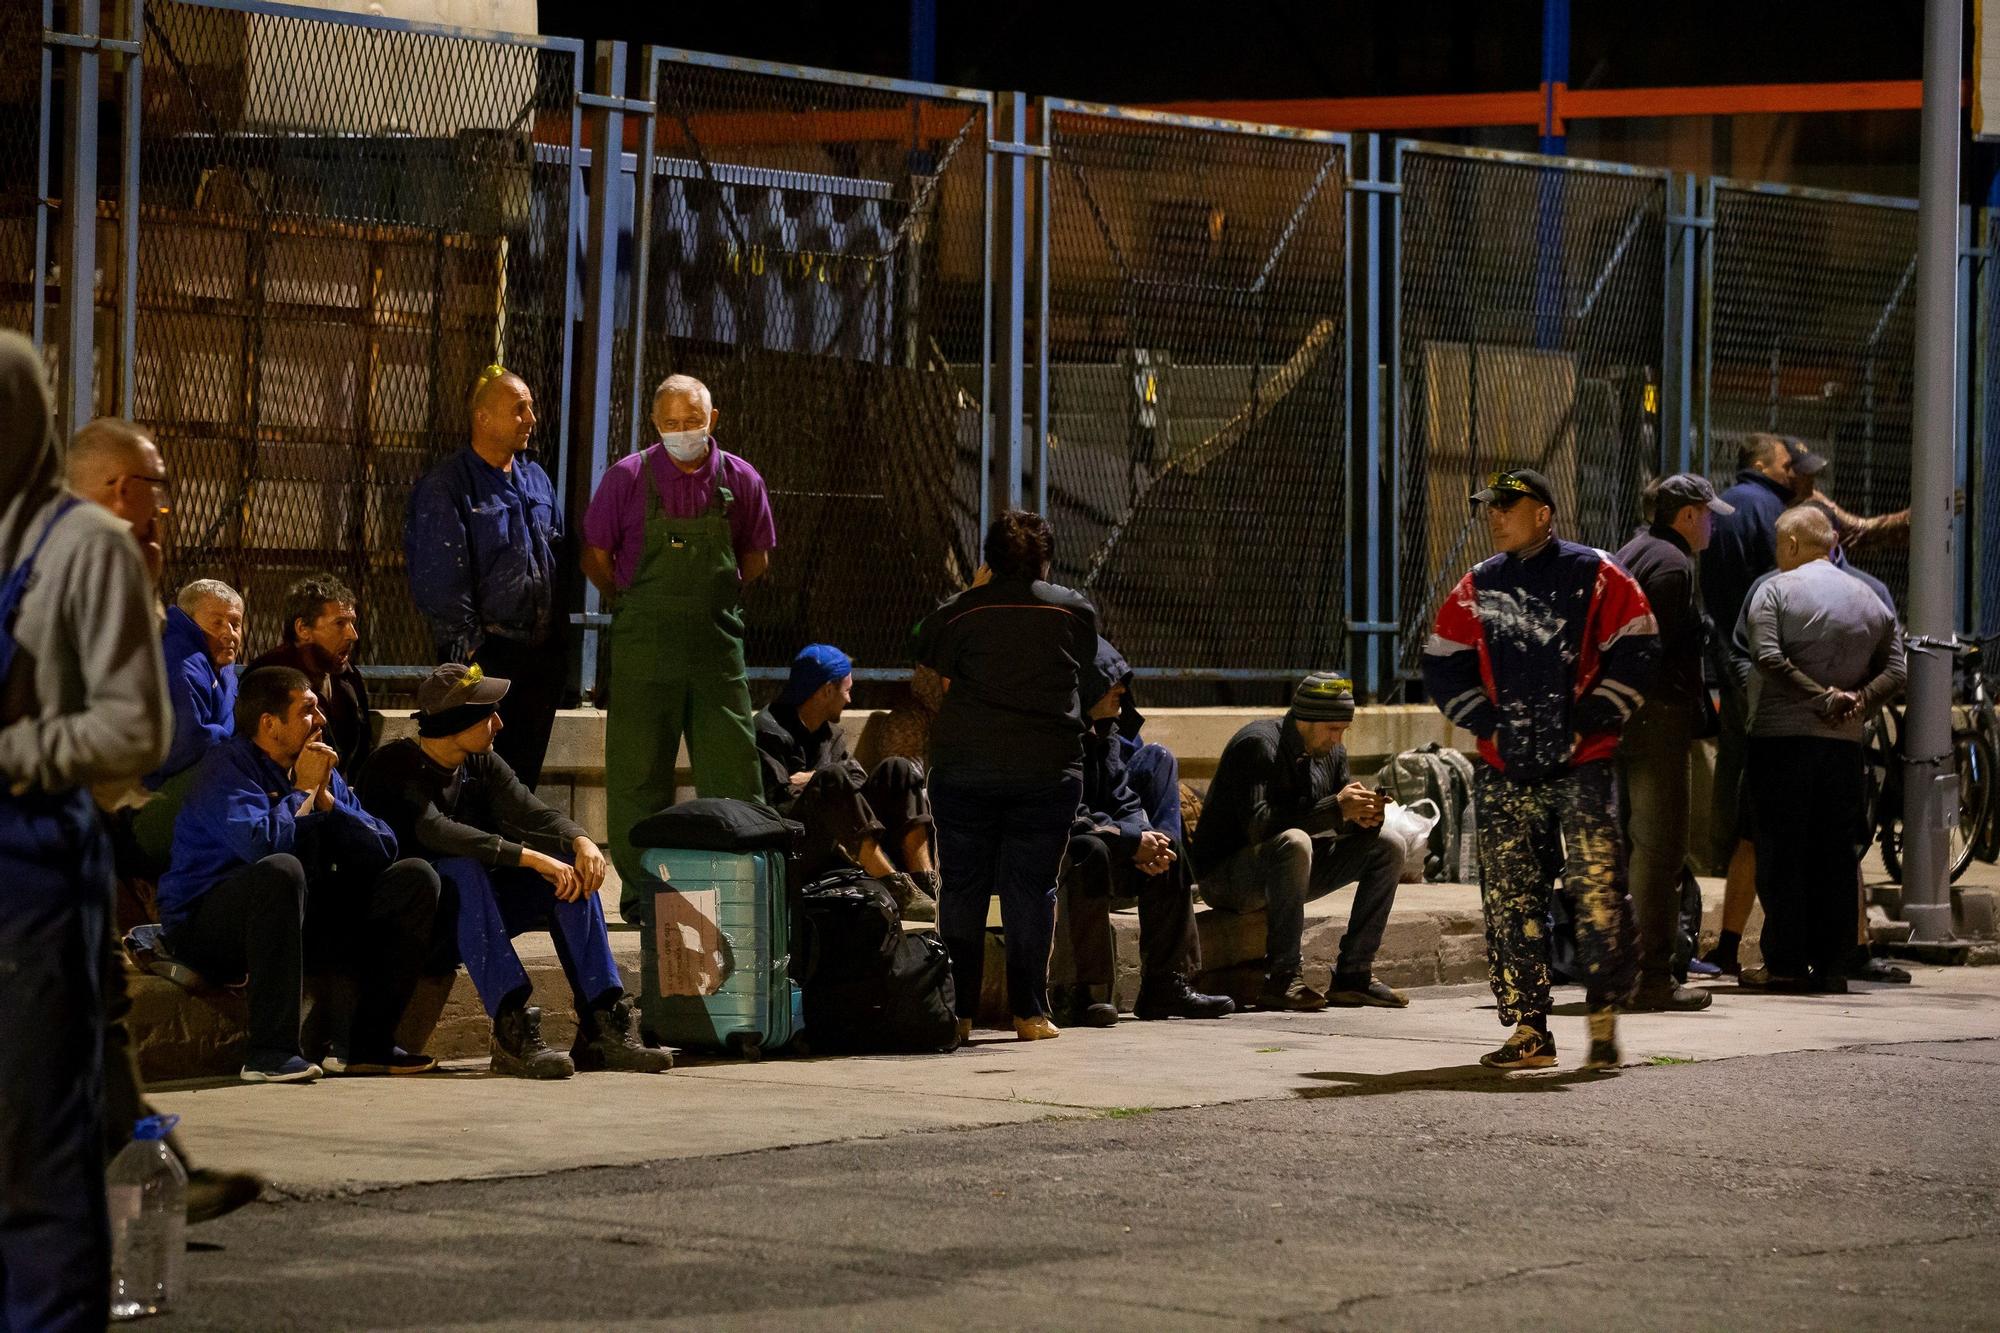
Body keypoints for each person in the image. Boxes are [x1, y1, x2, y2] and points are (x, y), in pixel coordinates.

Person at [0, 332, 171, 1333]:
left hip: (35, 871)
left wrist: (20, 748)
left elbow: (136, 727)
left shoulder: (88, 547)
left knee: (33, 1146)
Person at [71, 418, 264, 1225]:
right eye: (158, 486)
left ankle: (162, 1177)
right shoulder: (57, 568)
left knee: (101, 1004)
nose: (167, 508)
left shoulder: (113, 572)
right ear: (121, 487)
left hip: (64, 834)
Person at [1422, 467, 1656, 1070]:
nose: (1494, 515)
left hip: (1584, 766)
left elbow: (1639, 645)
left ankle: (1603, 1026)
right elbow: (1443, 660)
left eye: (1508, 504)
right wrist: (1490, 726)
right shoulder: (1479, 584)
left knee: (1598, 893)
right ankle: (1530, 1032)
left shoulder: (1595, 572)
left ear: (1544, 513)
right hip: (1505, 769)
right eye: (1489, 507)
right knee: (1508, 899)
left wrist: (1589, 721)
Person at [358, 663, 671, 1079]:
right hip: (410, 928)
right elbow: (439, 831)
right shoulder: (394, 765)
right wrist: (531, 856)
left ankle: (603, 1023)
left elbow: (532, 812)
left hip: (474, 920)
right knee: (464, 868)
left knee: (568, 879)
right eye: (488, 714)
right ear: (457, 721)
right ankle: (512, 1025)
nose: (499, 724)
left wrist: (579, 840)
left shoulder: (481, 763)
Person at [158, 666, 440, 1082]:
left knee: (416, 878)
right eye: (308, 711)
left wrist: (328, 803)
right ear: (270, 724)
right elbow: (261, 847)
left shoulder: (317, 768)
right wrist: (302, 794)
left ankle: (365, 1045)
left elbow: (384, 847)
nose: (322, 720)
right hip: (207, 926)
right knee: (281, 869)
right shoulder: (227, 769)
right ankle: (269, 1053)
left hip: (292, 918)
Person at [582, 374, 774, 919]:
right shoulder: (627, 478)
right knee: (638, 772)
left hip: (717, 652)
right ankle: (644, 893)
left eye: (692, 422)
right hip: (644, 648)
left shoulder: (743, 480)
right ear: (655, 424)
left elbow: (756, 560)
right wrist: (630, 599)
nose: (682, 432)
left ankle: (743, 882)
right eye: (671, 424)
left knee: (733, 770)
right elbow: (595, 554)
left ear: (713, 421)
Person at [914, 510, 1096, 1042]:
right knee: (1032, 889)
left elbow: (924, 645)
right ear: (1045, 561)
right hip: (1047, 770)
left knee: (963, 889)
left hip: (966, 769)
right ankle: (1030, 1013)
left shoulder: (962, 612)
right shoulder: (1073, 612)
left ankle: (961, 1012)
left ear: (988, 562)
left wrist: (971, 592)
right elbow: (1083, 667)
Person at [1741, 506, 1905, 993]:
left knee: (1781, 853)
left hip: (1779, 741)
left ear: (1791, 544)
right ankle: (1835, 965)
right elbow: (1896, 670)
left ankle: (1787, 964)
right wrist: (1856, 700)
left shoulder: (1773, 588)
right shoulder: (1871, 598)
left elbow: (1766, 657)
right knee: (1835, 854)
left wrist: (1819, 697)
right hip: (1842, 746)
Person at [1191, 673, 1405, 1012]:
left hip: (1287, 870)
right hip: (1227, 876)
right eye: (1332, 730)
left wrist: (1364, 819)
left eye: (1343, 731)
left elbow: (1336, 822)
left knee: (1390, 845)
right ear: (1305, 720)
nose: (1338, 740)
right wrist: (1335, 808)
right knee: (1295, 842)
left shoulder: (1332, 753)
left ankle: (1354, 973)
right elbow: (1260, 826)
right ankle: (1283, 976)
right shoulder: (1259, 745)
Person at [1054, 636, 1233, 1026]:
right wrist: (1131, 841)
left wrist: (1147, 840)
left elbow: (1124, 799)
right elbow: (1068, 815)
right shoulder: (1055, 737)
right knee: (1089, 850)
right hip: (1056, 854)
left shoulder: (1106, 734)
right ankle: (1082, 991)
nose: (1121, 690)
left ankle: (1165, 984)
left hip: (1107, 838)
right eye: (1110, 682)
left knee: (1168, 851)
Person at [405, 365, 565, 789]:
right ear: (483, 418)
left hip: (539, 656)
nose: (531, 419)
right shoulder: (447, 486)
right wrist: (472, 651)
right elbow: (439, 580)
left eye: (531, 408)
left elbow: (556, 551)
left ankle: (515, 854)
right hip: (487, 654)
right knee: (482, 774)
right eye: (519, 410)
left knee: (523, 774)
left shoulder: (536, 478)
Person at [1613, 474, 1732, 1013]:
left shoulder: (1632, 551)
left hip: (1621, 715)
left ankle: (1623, 969)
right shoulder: (1673, 565)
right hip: (1656, 716)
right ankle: (1653, 978)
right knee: (1660, 852)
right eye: (1707, 515)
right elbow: (1655, 646)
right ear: (1687, 515)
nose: (1711, 525)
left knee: (1631, 847)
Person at [753, 643, 939, 921]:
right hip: (799, 846)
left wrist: (814, 778)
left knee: (899, 769)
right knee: (832, 777)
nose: (850, 699)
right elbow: (779, 802)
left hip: (846, 834)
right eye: (846, 690)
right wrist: (823, 780)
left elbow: (856, 780)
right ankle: (896, 889)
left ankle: (923, 885)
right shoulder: (769, 731)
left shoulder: (831, 734)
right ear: (827, 690)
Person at [1698, 433, 1794, 885]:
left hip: (1724, 642)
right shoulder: (1772, 511)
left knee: (1733, 752)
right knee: (1763, 756)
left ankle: (1721, 854)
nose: (1790, 474)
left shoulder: (1721, 507)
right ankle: (1755, 853)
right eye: (1785, 466)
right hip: (1762, 650)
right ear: (1760, 463)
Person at [249, 572, 372, 773]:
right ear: (303, 629)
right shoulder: (269, 678)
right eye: (339, 623)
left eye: (352, 622)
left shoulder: (346, 675)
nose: (353, 635)